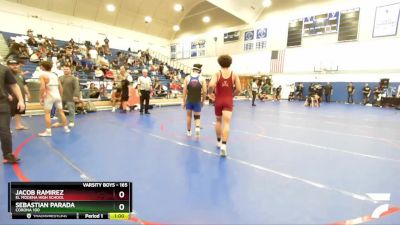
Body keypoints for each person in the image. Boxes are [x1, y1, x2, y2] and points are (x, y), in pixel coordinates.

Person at [208, 55, 241, 157]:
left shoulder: (217, 74)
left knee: (218, 121)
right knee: (226, 123)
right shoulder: (234, 74)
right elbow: (239, 89)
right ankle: (224, 146)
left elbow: (211, 85)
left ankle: (218, 141)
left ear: (219, 63)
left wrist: (210, 94)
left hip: (218, 100)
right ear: (230, 63)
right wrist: (231, 95)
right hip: (228, 100)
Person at [38, 61, 70, 137]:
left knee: (47, 113)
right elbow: (61, 88)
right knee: (61, 112)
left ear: (43, 67)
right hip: (57, 95)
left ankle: (48, 131)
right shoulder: (55, 75)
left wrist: (40, 97)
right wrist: (60, 97)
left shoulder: (42, 75)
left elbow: (42, 88)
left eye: (41, 66)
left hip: (49, 96)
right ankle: (66, 128)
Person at [0, 63, 25, 163]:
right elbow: (14, 85)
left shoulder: (3, 69)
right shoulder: (3, 68)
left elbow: (14, 85)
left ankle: (8, 155)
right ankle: (8, 155)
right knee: (4, 130)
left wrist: (21, 100)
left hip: (2, 103)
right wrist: (21, 100)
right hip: (2, 103)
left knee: (5, 130)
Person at [182, 64, 207, 137]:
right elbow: (205, 91)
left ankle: (189, 132)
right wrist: (203, 101)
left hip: (189, 100)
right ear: (199, 70)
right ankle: (197, 129)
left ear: (193, 69)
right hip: (197, 100)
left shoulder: (187, 78)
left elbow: (184, 91)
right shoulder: (202, 79)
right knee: (197, 116)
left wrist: (183, 102)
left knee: (189, 116)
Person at [7, 59, 30, 130]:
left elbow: (24, 84)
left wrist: (28, 93)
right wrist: (7, 94)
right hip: (10, 97)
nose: (15, 66)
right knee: (8, 113)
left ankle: (18, 125)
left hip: (20, 97)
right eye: (12, 65)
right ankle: (6, 128)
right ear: (8, 66)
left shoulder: (20, 75)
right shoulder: (6, 75)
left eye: (16, 65)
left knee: (18, 111)